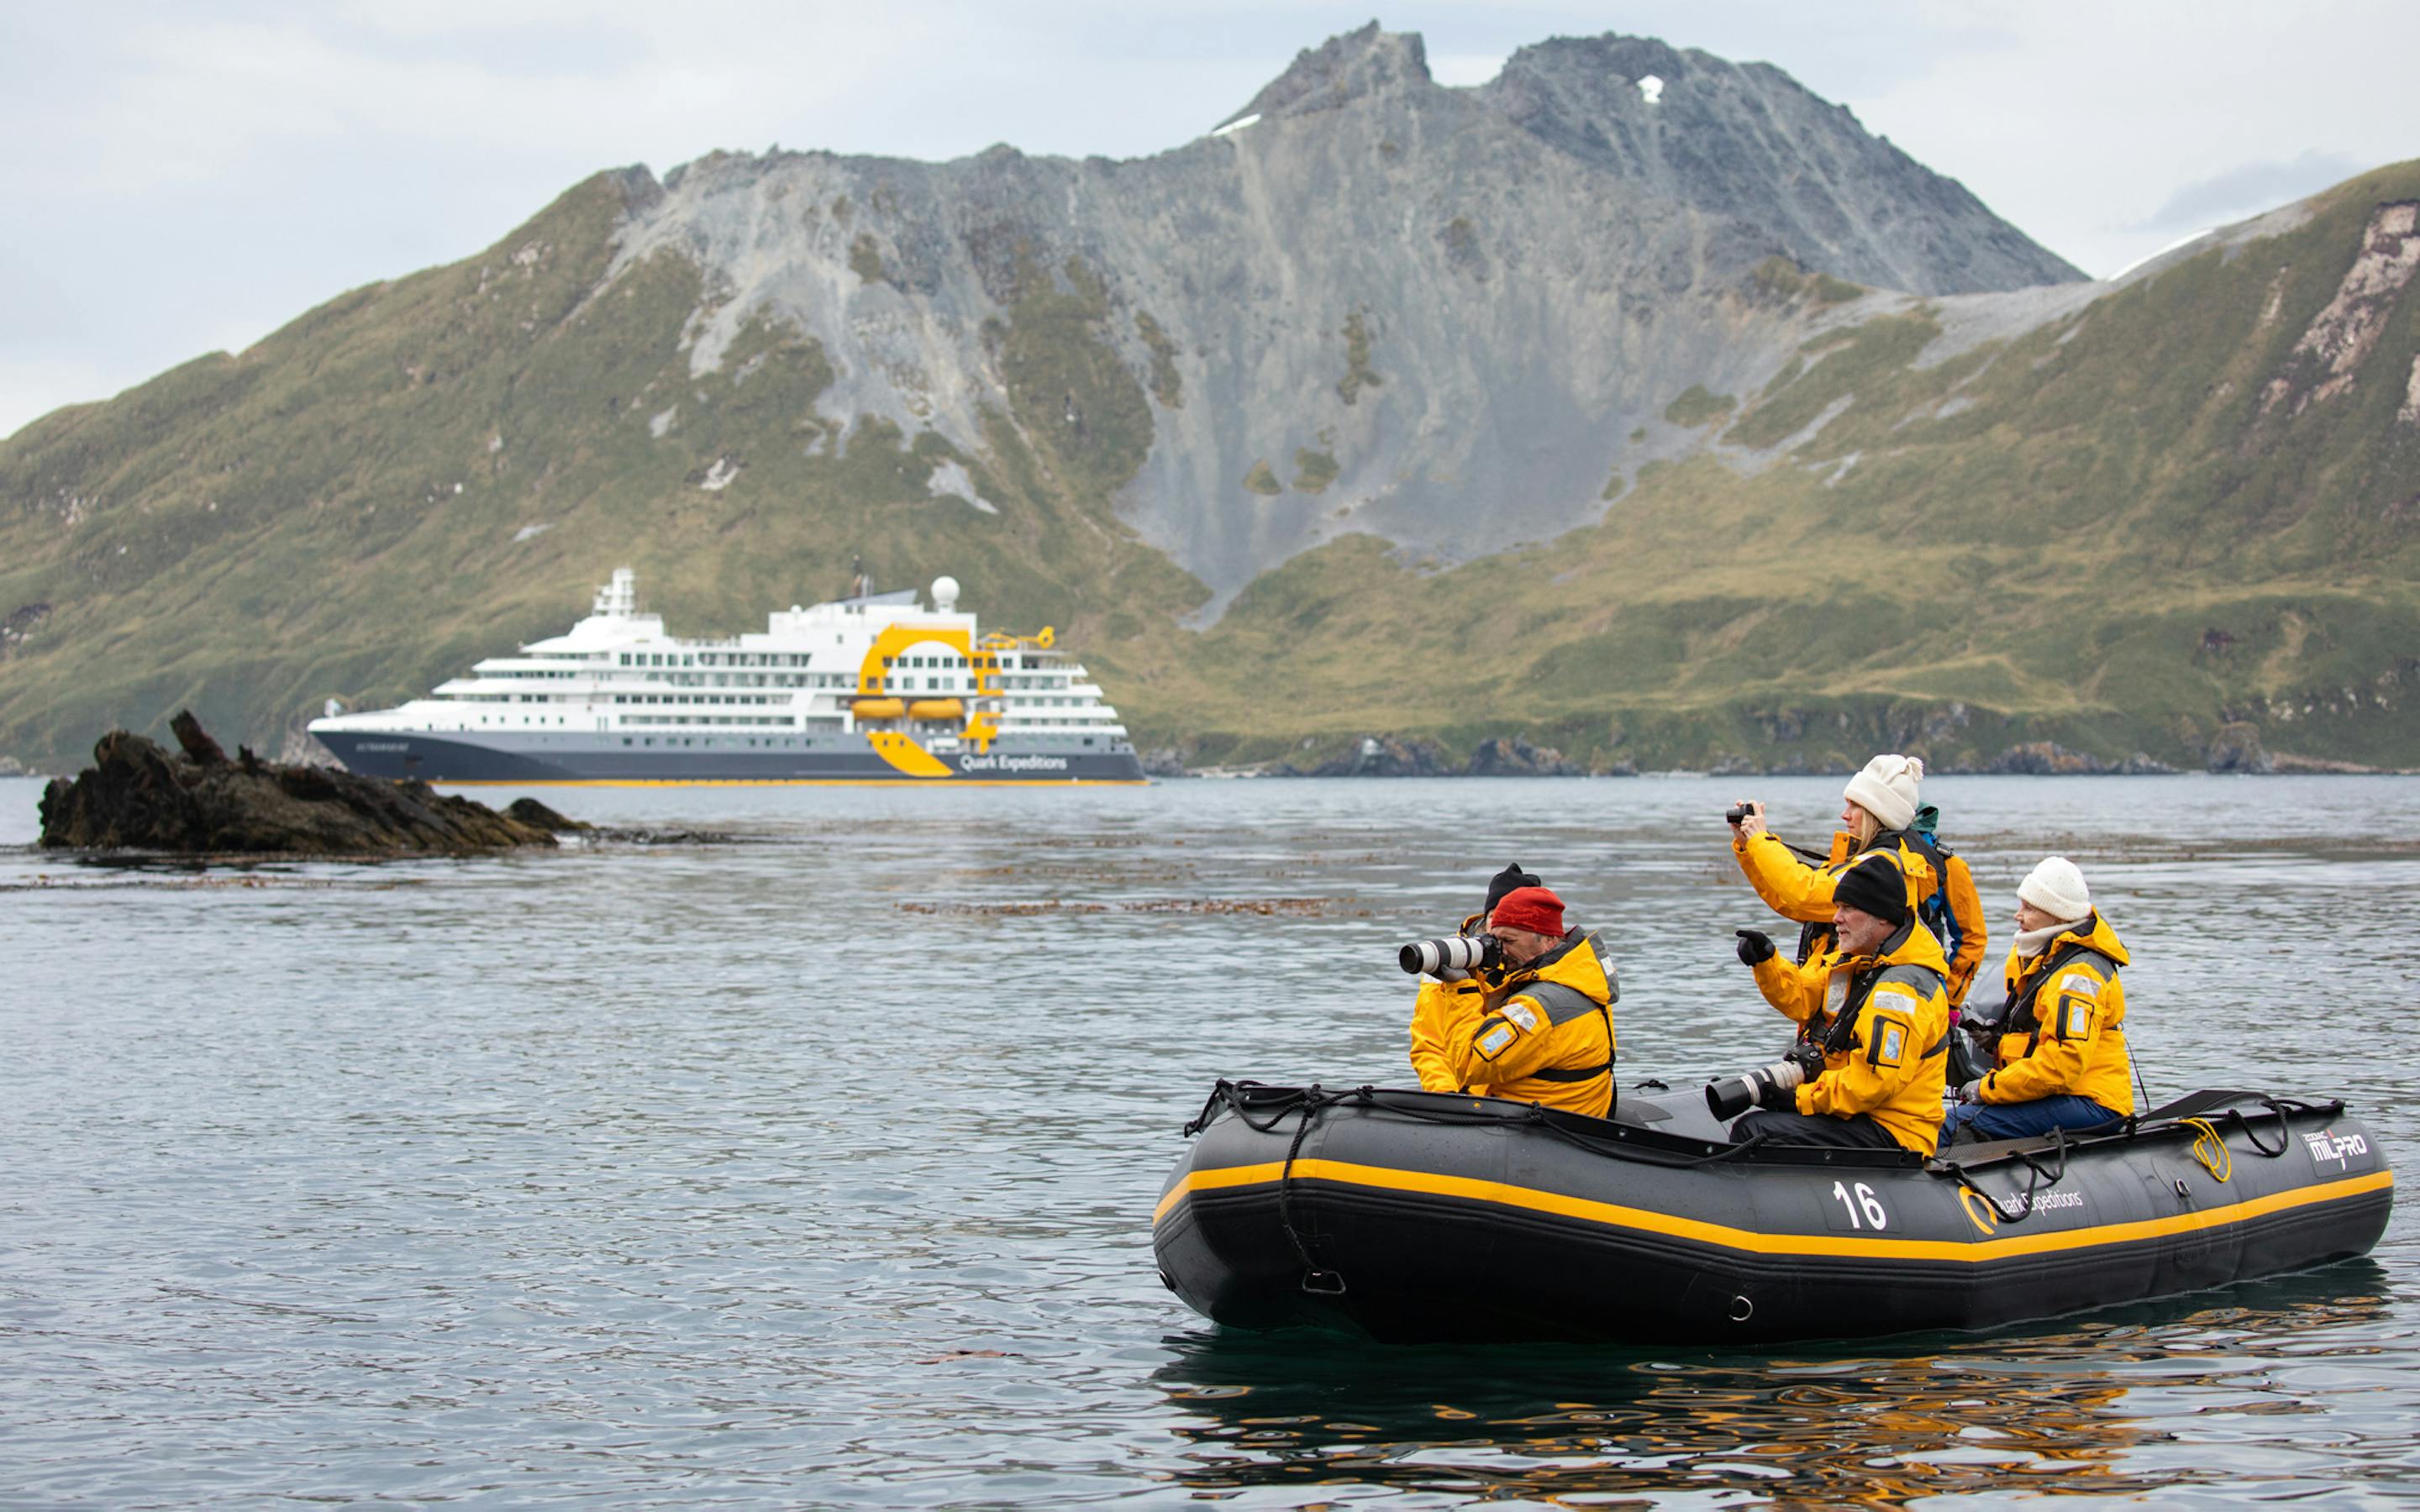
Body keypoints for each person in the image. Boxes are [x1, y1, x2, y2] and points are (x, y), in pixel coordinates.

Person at [1728, 753, 1988, 1009]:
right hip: (1844, 993)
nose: (1844, 815)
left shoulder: (1884, 865)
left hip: (1888, 997)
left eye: (1855, 806)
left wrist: (1947, 1000)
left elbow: (1804, 894)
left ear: (1878, 813)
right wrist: (1748, 847)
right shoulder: (1863, 860)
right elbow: (1799, 904)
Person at [1729, 854, 1950, 1155]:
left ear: (1882, 916)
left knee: (1753, 1130)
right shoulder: (1858, 960)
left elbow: (1874, 1083)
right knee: (1753, 1116)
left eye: (1848, 909)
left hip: (1893, 1129)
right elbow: (1802, 1000)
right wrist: (1766, 961)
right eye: (1837, 908)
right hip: (1853, 1109)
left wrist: (1797, 1099)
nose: (1836, 919)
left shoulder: (1901, 991)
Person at [1940, 857, 2132, 1147]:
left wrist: (1987, 1087)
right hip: (2061, 1095)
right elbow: (2039, 1039)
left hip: (2091, 1102)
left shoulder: (2077, 977)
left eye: (2028, 908)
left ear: (2056, 916)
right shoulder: (2041, 957)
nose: (2018, 915)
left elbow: (2061, 1067)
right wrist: (1995, 1041)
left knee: (1951, 1124)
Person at [1418, 885, 1618, 1119]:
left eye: (1509, 940)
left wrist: (1462, 988)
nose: (1501, 951)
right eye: (1496, 941)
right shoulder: (1575, 977)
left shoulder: (1541, 1006)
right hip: (1559, 1118)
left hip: (1547, 1134)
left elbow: (1469, 1065)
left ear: (1548, 940)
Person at [1408, 862, 1537, 1096]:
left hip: (1509, 1099)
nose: (1499, 925)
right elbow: (1429, 1043)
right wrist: (1446, 1095)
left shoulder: (1538, 962)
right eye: (1495, 916)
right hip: (1459, 1092)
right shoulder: (1446, 960)